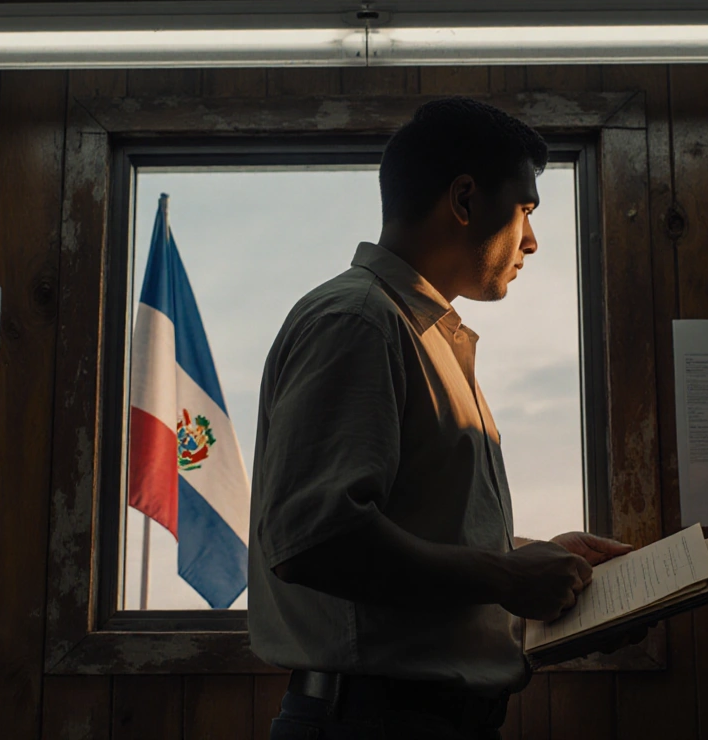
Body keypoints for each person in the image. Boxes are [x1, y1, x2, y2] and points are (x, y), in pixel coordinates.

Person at [248, 97, 645, 740]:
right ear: (464, 200)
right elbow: (314, 539)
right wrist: (507, 577)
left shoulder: (419, 332)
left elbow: (409, 527)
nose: (534, 240)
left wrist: (529, 557)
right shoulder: (359, 323)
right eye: (526, 210)